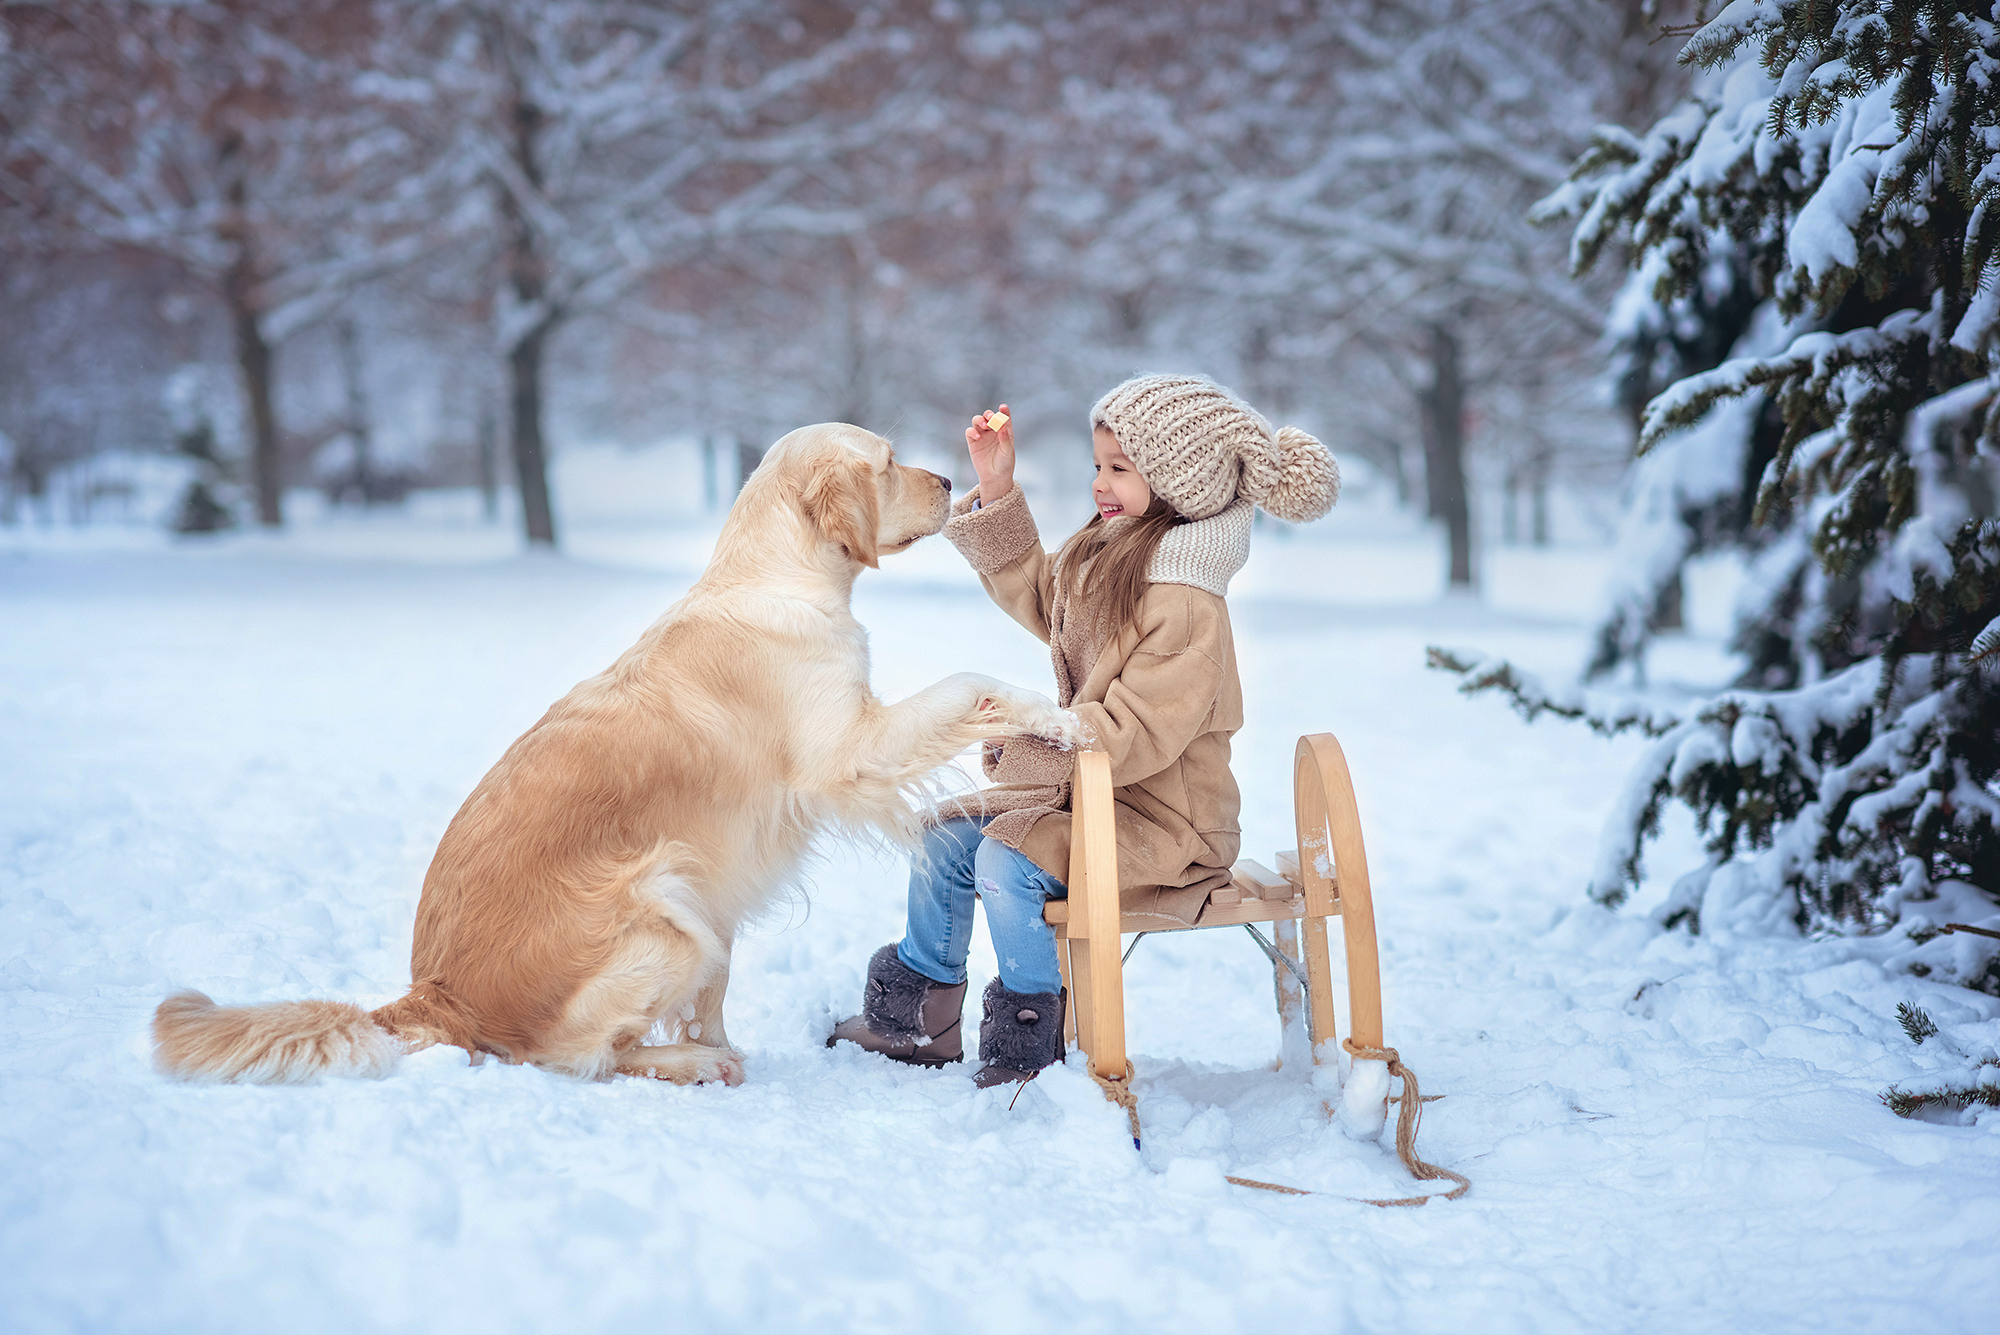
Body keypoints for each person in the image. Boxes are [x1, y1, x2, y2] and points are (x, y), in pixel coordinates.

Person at [830, 374, 1339, 1086]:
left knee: (1006, 861)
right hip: (1090, 799)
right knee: (945, 838)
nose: (1100, 482)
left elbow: (1134, 730)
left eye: (1120, 469)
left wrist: (1033, 732)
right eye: (1098, 464)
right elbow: (1047, 598)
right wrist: (999, 488)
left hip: (1168, 827)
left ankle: (1028, 1042)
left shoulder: (1188, 605)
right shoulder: (1116, 550)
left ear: (1177, 481)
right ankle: (916, 1015)